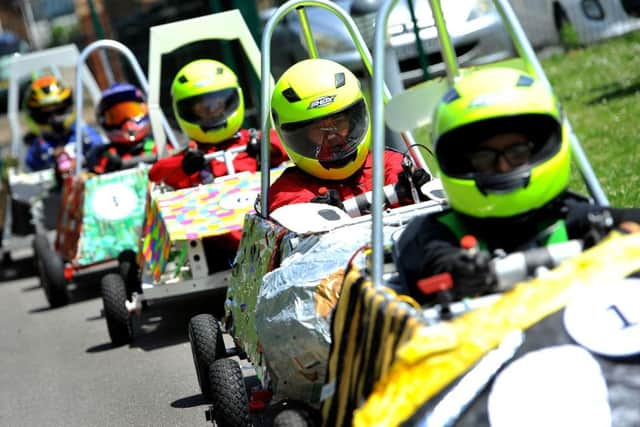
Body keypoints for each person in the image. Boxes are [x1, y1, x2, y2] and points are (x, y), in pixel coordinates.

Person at [393, 67, 640, 305]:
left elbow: (622, 219)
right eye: (484, 157)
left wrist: (620, 236)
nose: (502, 167)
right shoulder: (435, 233)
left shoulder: (566, 215)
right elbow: (429, 258)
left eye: (517, 152)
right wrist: (460, 271)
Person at [267, 58, 429, 213]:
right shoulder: (287, 191)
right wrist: (315, 214)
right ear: (300, 137)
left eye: (338, 122)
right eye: (318, 129)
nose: (332, 136)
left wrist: (420, 190)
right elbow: (290, 212)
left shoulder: (387, 164)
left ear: (354, 120)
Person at [148, 59, 288, 189]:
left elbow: (290, 144)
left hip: (259, 207)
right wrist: (184, 166)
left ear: (230, 101)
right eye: (202, 108)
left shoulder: (251, 140)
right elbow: (156, 174)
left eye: (217, 103)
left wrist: (266, 148)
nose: (211, 111)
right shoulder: (192, 155)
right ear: (188, 111)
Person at [23, 75, 103, 173]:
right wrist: (52, 157)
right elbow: (30, 169)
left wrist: (81, 162)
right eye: (46, 114)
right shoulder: (38, 145)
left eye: (58, 110)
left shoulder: (84, 134)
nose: (54, 119)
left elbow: (100, 151)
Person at [89, 83, 156, 174]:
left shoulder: (158, 146)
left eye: (133, 112)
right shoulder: (105, 157)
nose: (127, 123)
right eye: (116, 116)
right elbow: (92, 179)